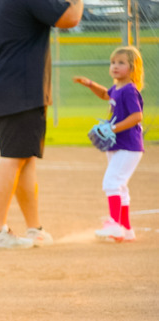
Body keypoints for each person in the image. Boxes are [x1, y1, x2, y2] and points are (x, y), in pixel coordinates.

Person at [0, 0, 84, 249]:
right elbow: (70, 17)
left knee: (22, 157)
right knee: (13, 158)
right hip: (21, 89)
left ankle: (34, 228)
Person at [73, 46, 145, 242]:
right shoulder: (118, 88)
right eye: (113, 62)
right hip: (118, 144)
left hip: (128, 145)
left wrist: (112, 129)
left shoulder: (129, 90)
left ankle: (114, 224)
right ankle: (126, 229)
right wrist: (90, 84)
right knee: (120, 186)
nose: (115, 66)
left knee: (111, 182)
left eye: (121, 63)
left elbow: (137, 116)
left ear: (133, 68)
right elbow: (106, 94)